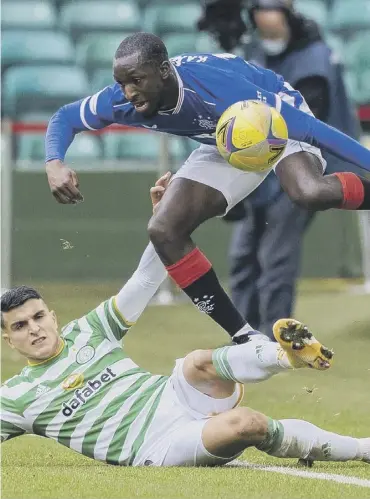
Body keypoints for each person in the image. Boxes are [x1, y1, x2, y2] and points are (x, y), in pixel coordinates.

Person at [1, 175, 369, 467]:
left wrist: (164, 225)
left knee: (196, 361)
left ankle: (288, 356)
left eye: (37, 317)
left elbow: (144, 282)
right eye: (19, 326)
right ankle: (360, 448)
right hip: (157, 445)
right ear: (7, 340)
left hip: (174, 395)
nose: (34, 329)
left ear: (52, 316)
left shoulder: (89, 330)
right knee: (247, 424)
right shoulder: (15, 398)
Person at [44, 32, 370, 345]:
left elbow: (315, 131)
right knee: (164, 229)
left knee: (307, 192)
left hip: (269, 119)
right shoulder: (120, 101)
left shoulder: (219, 89)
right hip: (223, 139)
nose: (128, 92)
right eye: (122, 83)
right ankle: (245, 337)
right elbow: (65, 117)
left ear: (163, 71)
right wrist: (54, 162)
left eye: (136, 81)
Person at [228, 0, 362, 336]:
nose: (265, 15)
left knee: (276, 257)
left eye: (272, 8)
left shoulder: (314, 55)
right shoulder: (255, 50)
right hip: (260, 168)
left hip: (302, 167)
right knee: (243, 256)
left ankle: (274, 336)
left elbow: (305, 121)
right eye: (260, 8)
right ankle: (243, 335)